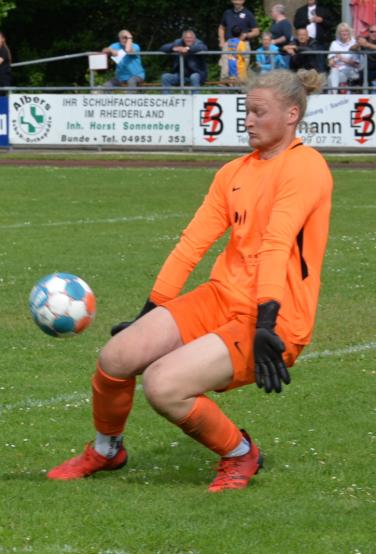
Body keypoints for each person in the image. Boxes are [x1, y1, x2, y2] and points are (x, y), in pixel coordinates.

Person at [46, 68, 332, 493]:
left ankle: (239, 454)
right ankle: (107, 450)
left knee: (164, 386)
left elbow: (275, 244)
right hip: (220, 296)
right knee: (116, 356)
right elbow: (193, 242)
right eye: (246, 111)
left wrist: (267, 322)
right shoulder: (233, 172)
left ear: (292, 114)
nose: (248, 120)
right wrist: (149, 312)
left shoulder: (306, 168)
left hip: (276, 319)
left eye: (258, 112)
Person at [327, 23, 362, 91]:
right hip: (337, 70)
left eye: (346, 31)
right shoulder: (334, 43)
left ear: (349, 32)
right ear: (338, 33)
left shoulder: (354, 44)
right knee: (332, 74)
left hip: (352, 70)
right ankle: (333, 96)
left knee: (332, 78)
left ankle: (333, 96)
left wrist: (341, 58)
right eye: (342, 31)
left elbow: (357, 64)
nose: (344, 33)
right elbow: (330, 62)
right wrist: (333, 63)